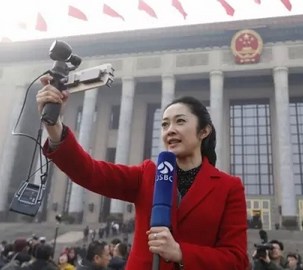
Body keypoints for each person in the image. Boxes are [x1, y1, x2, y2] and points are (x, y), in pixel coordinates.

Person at [35, 75, 248, 270]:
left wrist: (181, 253)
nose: (170, 130)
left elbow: (237, 260)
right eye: (164, 124)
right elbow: (89, 171)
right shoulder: (148, 175)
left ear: (204, 131)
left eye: (180, 121)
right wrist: (53, 124)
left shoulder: (228, 187)